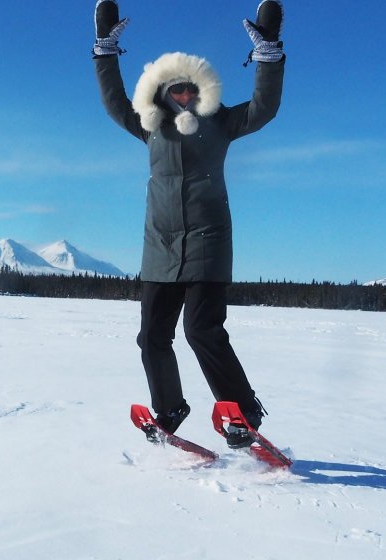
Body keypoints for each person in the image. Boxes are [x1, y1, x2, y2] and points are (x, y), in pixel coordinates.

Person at [92, 0, 286, 448]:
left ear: (201, 90)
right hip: (160, 246)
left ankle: (243, 412)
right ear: (161, 92)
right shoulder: (150, 127)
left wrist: (269, 54)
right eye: (174, 90)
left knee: (202, 331)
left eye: (188, 90)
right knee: (152, 337)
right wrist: (104, 50)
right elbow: (113, 103)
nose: (182, 96)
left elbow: (264, 108)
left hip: (207, 242)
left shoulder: (220, 124)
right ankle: (170, 408)